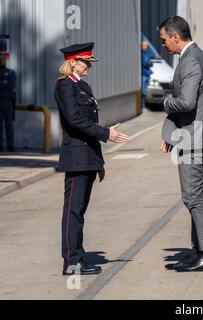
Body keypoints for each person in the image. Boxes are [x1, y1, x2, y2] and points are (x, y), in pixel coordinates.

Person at [158, 16, 203, 272]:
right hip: (194, 134)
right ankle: (198, 249)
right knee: (194, 194)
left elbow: (186, 102)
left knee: (193, 196)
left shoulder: (190, 61)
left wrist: (166, 102)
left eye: (165, 39)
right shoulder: (200, 56)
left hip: (195, 138)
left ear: (176, 37)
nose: (164, 44)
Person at [55, 42, 129, 276]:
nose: (88, 66)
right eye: (85, 62)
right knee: (73, 210)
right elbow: (75, 120)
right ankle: (71, 262)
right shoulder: (65, 86)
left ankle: (77, 256)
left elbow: (89, 125)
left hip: (87, 156)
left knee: (79, 210)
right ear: (73, 62)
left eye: (89, 62)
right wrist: (107, 133)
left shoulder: (83, 86)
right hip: (76, 156)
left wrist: (99, 161)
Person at [0, 35, 16, 153]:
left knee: (9, 126)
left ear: (5, 59)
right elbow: (5, 85)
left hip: (8, 102)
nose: (1, 60)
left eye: (3, 58)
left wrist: (4, 84)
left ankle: (11, 147)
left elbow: (10, 86)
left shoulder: (10, 72)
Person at [141, 33, 153, 109]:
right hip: (144, 74)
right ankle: (142, 107)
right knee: (143, 91)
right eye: (145, 45)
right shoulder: (142, 54)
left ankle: (143, 106)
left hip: (147, 74)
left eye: (147, 46)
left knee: (145, 92)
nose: (146, 47)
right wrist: (149, 63)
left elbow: (150, 63)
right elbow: (145, 62)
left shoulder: (146, 53)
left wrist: (149, 63)